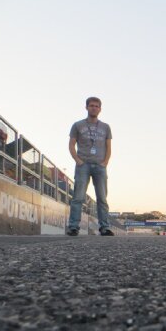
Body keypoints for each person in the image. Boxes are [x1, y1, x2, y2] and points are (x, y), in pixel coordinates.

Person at [66, 97, 114, 236]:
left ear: (100, 109)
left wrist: (105, 163)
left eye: (97, 106)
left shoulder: (105, 127)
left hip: (100, 165)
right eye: (91, 105)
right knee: (78, 197)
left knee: (102, 198)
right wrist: (77, 160)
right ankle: (74, 226)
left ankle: (104, 227)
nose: (94, 108)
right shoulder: (78, 125)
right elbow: (71, 145)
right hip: (83, 165)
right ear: (86, 107)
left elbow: (109, 147)